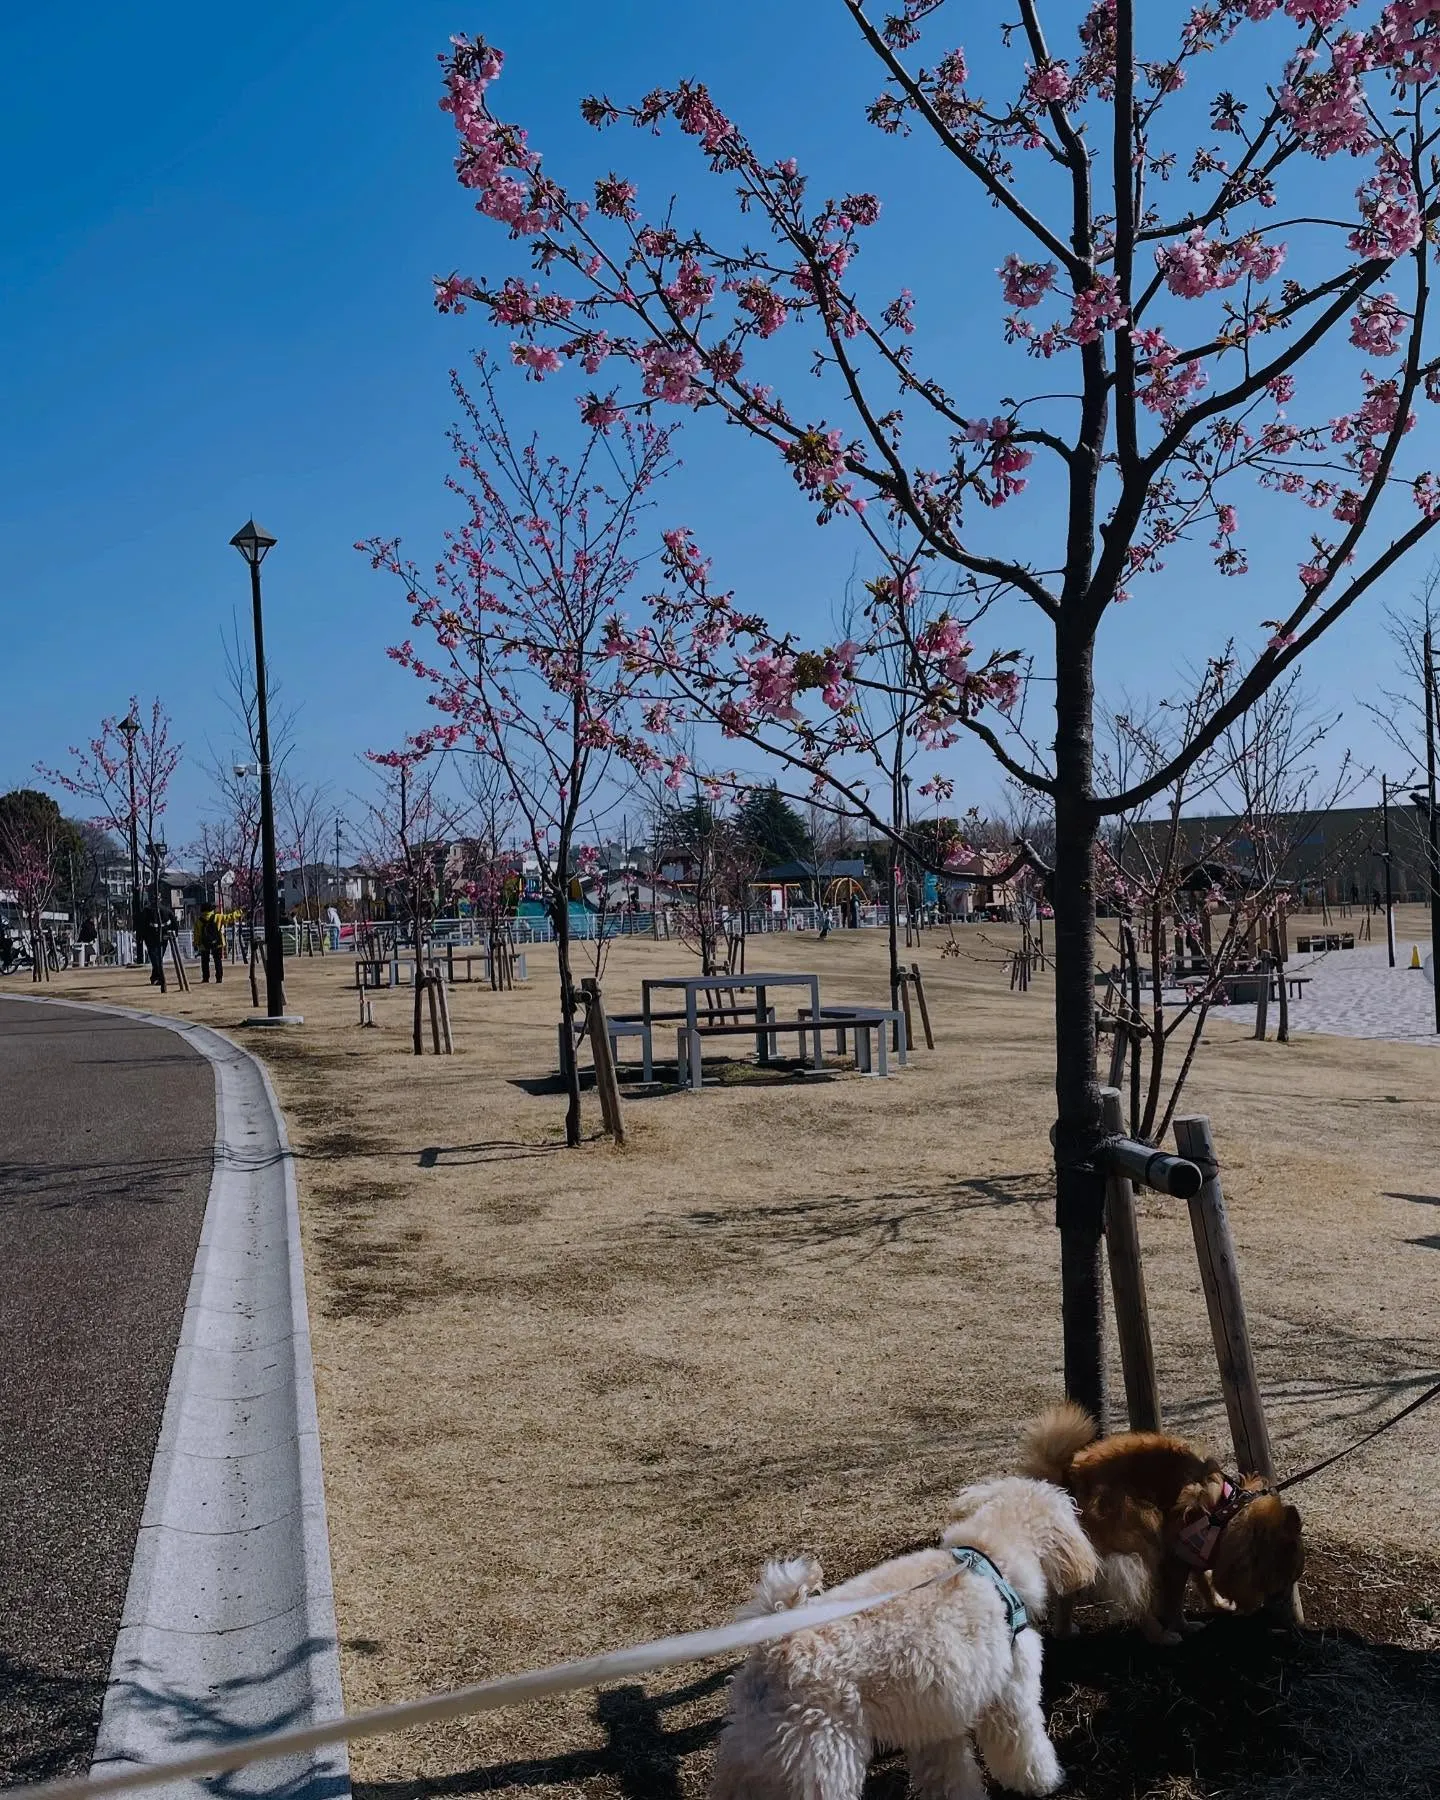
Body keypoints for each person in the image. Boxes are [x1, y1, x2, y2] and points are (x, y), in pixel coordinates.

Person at [137, 900, 166, 992]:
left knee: (156, 959)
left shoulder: (146, 912)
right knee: (157, 958)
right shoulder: (165, 910)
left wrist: (140, 937)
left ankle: (156, 976)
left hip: (151, 938)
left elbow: (141, 925)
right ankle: (157, 976)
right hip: (161, 938)